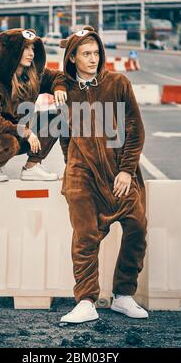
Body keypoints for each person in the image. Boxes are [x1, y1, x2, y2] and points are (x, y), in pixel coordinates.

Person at [59, 26, 148, 323]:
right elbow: (61, 134)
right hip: (81, 175)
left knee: (136, 228)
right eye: (86, 54)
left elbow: (135, 128)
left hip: (118, 171)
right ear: (72, 58)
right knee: (85, 237)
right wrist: (69, 164)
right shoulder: (65, 90)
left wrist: (126, 170)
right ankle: (85, 301)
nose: (93, 58)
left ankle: (123, 296)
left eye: (96, 53)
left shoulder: (118, 83)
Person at [0, 28, 67, 182]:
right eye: (25, 48)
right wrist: (26, 132)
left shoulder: (33, 76)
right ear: (11, 52)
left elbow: (58, 76)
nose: (31, 53)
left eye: (32, 48)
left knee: (57, 118)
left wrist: (59, 88)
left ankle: (32, 167)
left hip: (24, 136)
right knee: (8, 142)